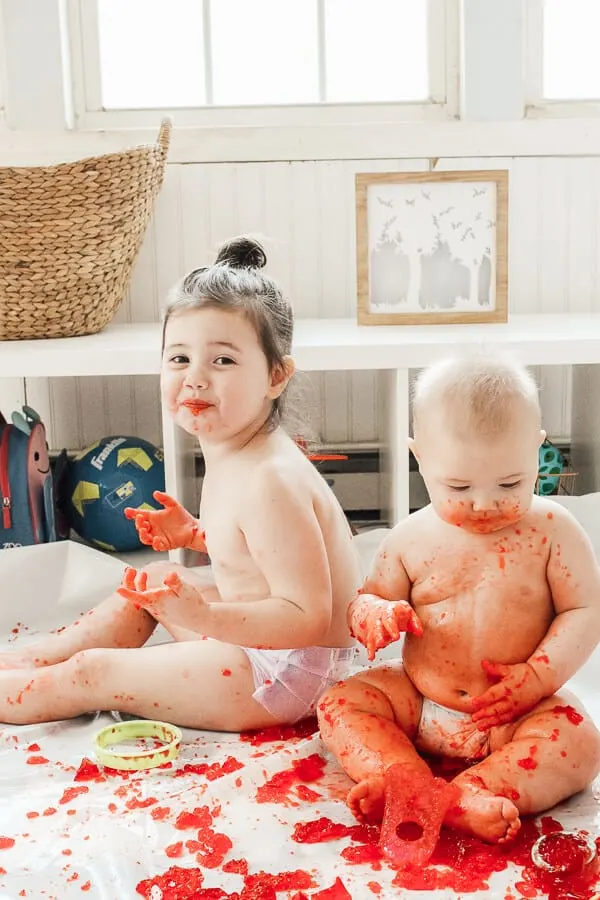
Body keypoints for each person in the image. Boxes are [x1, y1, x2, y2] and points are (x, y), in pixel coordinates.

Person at [0, 236, 360, 731]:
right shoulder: (239, 448)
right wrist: (195, 534)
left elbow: (307, 616)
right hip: (260, 643)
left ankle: (30, 688)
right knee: (150, 582)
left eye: (223, 360)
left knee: (96, 672)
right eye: (179, 359)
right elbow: (256, 553)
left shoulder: (271, 478)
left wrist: (205, 618)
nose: (195, 378)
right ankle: (34, 660)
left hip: (288, 673)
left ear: (276, 376)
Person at [317, 354, 600, 848]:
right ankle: (404, 776)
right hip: (421, 700)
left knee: (579, 742)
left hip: (513, 715)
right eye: (459, 486)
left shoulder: (554, 532)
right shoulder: (409, 538)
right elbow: (368, 601)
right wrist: (377, 616)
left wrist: (536, 678)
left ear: (537, 451)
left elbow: (585, 611)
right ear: (420, 457)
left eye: (511, 483)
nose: (486, 503)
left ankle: (472, 793)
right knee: (341, 702)